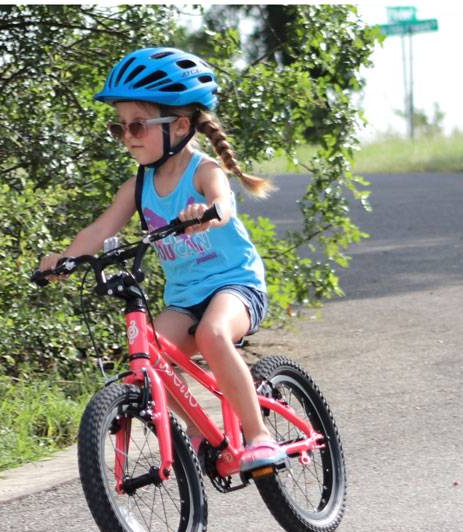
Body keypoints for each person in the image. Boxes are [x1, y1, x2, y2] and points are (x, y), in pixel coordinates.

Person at [38, 47, 283, 475]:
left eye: (137, 125)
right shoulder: (139, 185)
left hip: (235, 285)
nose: (128, 135)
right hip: (185, 296)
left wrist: (206, 216)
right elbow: (99, 230)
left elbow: (222, 202)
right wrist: (64, 259)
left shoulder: (203, 171)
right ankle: (200, 431)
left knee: (212, 333)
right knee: (153, 355)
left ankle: (258, 434)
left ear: (181, 126)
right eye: (120, 128)